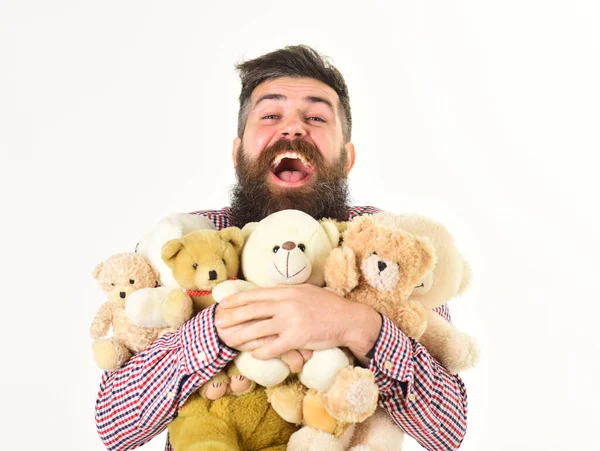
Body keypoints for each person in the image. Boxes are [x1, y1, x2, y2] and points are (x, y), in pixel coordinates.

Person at [95, 45, 468, 451]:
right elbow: (115, 424)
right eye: (271, 115)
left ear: (347, 158)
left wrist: (357, 326)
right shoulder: (187, 242)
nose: (292, 129)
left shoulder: (385, 242)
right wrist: (223, 326)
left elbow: (448, 429)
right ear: (238, 154)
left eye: (316, 117)